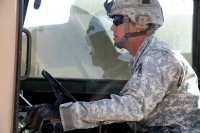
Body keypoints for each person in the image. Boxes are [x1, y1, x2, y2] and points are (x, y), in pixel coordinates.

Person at [25, 0, 200, 132]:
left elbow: (132, 107)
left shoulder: (159, 57)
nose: (112, 28)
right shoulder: (148, 56)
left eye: (117, 20)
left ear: (140, 22)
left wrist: (62, 113)